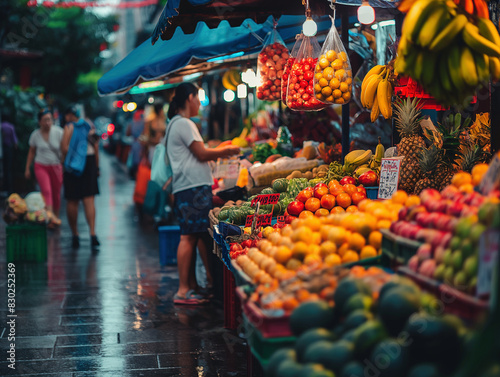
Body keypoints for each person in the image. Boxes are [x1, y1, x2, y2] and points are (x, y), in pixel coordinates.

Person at [166, 83, 240, 305]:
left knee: (194, 235)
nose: (200, 103)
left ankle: (192, 287)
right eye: (198, 98)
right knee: (188, 237)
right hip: (191, 188)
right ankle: (183, 290)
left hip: (189, 187)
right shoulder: (183, 124)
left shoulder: (177, 124)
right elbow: (201, 153)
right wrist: (227, 150)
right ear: (190, 98)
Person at [60, 105, 100, 248]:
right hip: (89, 163)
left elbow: (64, 147)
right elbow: (96, 146)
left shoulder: (69, 127)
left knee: (72, 201)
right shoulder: (89, 126)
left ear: (70, 115)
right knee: (89, 200)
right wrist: (97, 166)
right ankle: (93, 234)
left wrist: (68, 158)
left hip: (72, 167)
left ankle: (75, 234)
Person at [24, 109, 63, 226]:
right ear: (39, 122)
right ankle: (50, 218)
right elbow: (31, 152)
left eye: (50, 119)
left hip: (56, 166)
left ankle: (55, 216)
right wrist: (27, 168)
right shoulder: (35, 135)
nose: (48, 122)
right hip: (41, 166)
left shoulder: (59, 132)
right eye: (45, 120)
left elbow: (65, 149)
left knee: (56, 193)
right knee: (46, 191)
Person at [1, 113, 19, 195]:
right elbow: (15, 141)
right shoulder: (11, 126)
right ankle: (9, 189)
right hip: (8, 149)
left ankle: (4, 188)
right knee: (8, 169)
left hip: (2, 149)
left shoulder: (1, 126)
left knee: (3, 169)